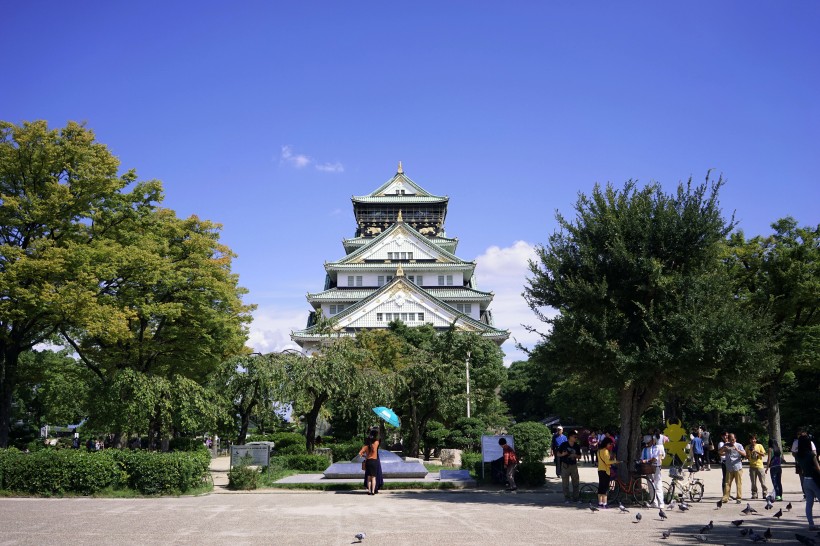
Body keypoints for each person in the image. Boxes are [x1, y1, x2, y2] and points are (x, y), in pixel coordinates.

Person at [794, 435, 820, 531]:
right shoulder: (811, 455)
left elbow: (800, 469)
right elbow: (818, 468)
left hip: (806, 480)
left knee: (809, 503)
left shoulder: (798, 455)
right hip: (814, 480)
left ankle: (811, 524)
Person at [719, 432, 746, 504]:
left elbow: (745, 454)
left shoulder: (739, 445)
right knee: (727, 483)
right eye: (730, 439)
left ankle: (739, 498)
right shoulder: (726, 445)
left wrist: (737, 450)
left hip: (737, 466)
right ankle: (725, 497)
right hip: (729, 467)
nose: (732, 441)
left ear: (735, 439)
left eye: (733, 439)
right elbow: (720, 453)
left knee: (738, 483)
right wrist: (724, 449)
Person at [640, 434, 666, 509]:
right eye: (646, 442)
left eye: (648, 442)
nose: (647, 444)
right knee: (650, 486)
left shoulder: (656, 448)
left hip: (656, 468)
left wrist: (646, 460)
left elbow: (654, 459)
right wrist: (642, 461)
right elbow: (642, 458)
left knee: (658, 485)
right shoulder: (644, 450)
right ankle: (654, 502)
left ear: (652, 441)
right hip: (648, 468)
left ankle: (661, 502)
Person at [558, 430, 582, 502]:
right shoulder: (564, 444)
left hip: (574, 466)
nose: (576, 438)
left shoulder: (576, 445)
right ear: (570, 437)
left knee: (576, 482)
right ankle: (567, 498)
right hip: (565, 465)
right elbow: (558, 454)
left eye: (576, 437)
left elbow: (580, 456)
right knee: (565, 483)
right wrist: (562, 454)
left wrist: (575, 455)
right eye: (575, 437)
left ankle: (576, 498)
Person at [359, 428, 382, 495]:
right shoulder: (376, 443)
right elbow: (379, 439)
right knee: (374, 477)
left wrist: (365, 456)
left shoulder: (366, 446)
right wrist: (376, 433)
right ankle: (373, 491)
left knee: (368, 478)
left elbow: (360, 454)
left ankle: (368, 491)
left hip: (368, 461)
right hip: (374, 461)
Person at [597, 436, 618, 508]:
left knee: (600, 487)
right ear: (606, 443)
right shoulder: (605, 451)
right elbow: (607, 462)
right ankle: (605, 503)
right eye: (609, 444)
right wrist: (615, 461)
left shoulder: (599, 451)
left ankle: (600, 502)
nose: (610, 445)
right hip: (606, 470)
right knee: (605, 487)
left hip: (600, 470)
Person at [746, 434, 768, 499]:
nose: (753, 440)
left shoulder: (759, 446)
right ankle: (754, 494)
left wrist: (756, 451)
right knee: (753, 482)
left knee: (762, 481)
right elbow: (746, 455)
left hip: (760, 466)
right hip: (752, 466)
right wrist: (748, 454)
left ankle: (765, 492)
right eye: (752, 439)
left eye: (754, 439)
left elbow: (763, 454)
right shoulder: (747, 447)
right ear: (750, 440)